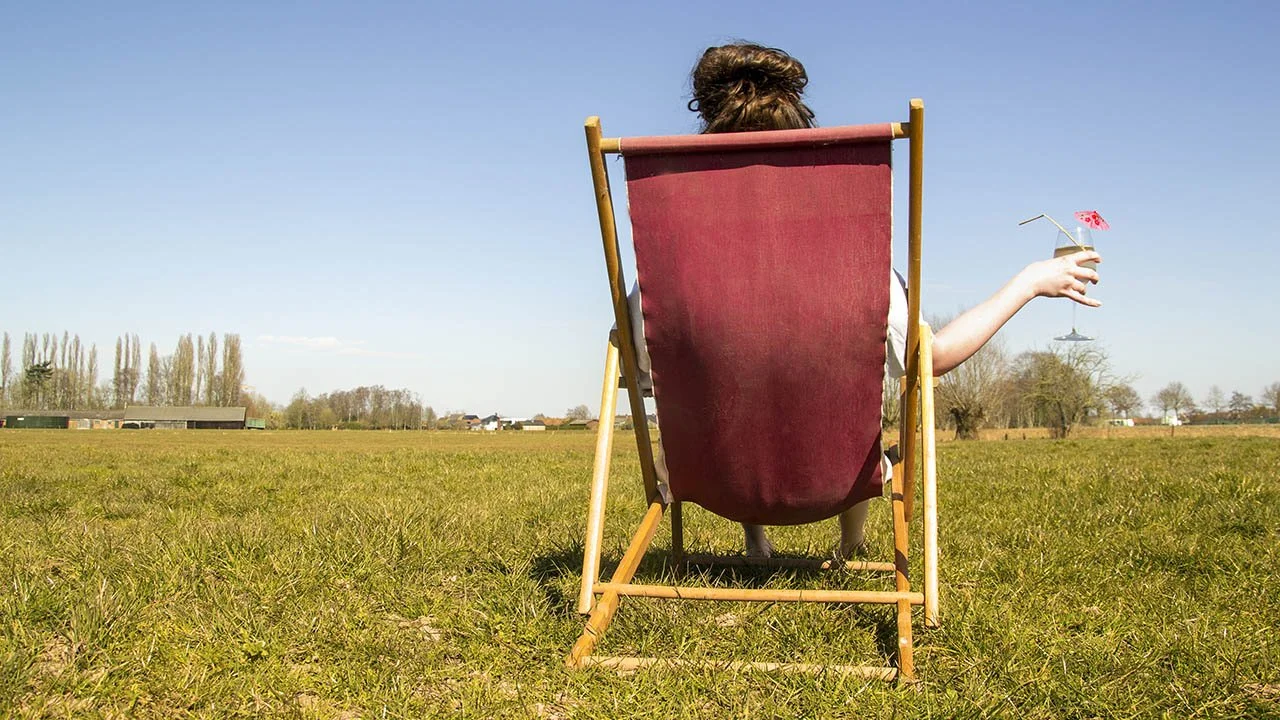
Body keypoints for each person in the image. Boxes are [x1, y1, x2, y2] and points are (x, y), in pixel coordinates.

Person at [627, 42, 1101, 559]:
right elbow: (934, 358)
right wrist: (1029, 282)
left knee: (735, 372)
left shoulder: (666, 271)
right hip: (834, 480)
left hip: (710, 479)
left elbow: (639, 370)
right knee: (844, 401)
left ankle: (755, 542)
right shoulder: (854, 266)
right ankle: (851, 545)